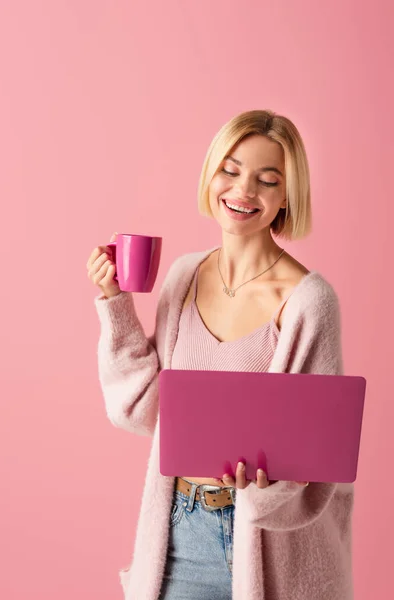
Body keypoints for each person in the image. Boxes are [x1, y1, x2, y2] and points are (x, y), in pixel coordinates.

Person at [86, 109, 353, 600]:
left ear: (287, 196)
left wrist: (266, 485)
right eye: (230, 170)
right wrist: (115, 301)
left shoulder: (310, 302)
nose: (243, 191)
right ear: (211, 174)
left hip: (269, 548)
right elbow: (142, 408)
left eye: (267, 180)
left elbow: (319, 461)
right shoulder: (184, 276)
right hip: (180, 532)